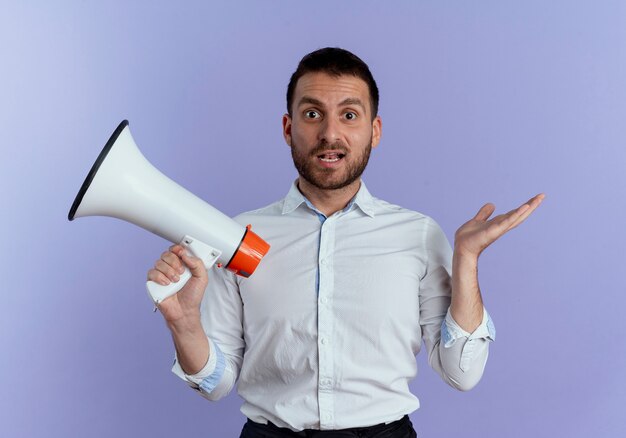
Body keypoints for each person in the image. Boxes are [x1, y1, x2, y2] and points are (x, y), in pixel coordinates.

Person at [147, 48, 544, 437]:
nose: (330, 133)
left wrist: (467, 260)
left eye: (349, 115)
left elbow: (462, 373)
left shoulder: (418, 235)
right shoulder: (236, 235)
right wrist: (184, 326)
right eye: (312, 114)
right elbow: (216, 384)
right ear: (288, 128)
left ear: (375, 130)